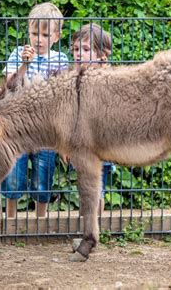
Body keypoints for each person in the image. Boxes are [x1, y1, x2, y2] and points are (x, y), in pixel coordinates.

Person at [2, 2, 69, 218]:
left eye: (44, 34)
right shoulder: (18, 54)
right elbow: (10, 85)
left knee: (43, 175)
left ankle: (41, 220)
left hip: (46, 130)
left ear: (56, 37)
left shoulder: (61, 59)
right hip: (18, 128)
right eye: (33, 33)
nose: (38, 39)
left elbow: (62, 95)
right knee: (14, 175)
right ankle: (10, 220)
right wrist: (25, 64)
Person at [71, 23, 114, 214]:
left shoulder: (108, 78)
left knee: (97, 190)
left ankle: (95, 227)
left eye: (86, 49)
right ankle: (88, 229)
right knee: (85, 189)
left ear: (102, 55)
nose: (79, 54)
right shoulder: (73, 78)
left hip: (102, 145)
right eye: (76, 49)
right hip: (80, 147)